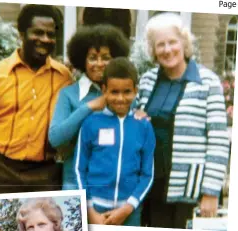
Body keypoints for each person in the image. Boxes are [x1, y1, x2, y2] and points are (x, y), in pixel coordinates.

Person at [136, 13, 230, 228]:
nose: (167, 50)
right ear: (153, 50)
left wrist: (211, 192)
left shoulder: (208, 82)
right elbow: (137, 123)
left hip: (190, 189)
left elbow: (218, 140)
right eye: (160, 45)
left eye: (172, 42)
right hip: (150, 186)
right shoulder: (147, 80)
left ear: (184, 43)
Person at [0, 4, 72, 194]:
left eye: (51, 34)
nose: (45, 39)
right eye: (38, 32)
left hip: (45, 175)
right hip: (1, 171)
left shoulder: (63, 78)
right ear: (22, 33)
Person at [74, 57, 155, 226]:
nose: (120, 98)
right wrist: (89, 209)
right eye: (114, 92)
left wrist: (128, 208)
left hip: (129, 212)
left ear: (135, 91)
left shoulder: (144, 127)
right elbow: (79, 169)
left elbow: (147, 174)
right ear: (104, 90)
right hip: (95, 210)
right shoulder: (91, 123)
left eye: (127, 92)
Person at [49, 24, 130, 190]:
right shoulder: (69, 94)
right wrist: (90, 106)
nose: (99, 64)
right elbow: (55, 138)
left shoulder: (125, 95)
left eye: (106, 58)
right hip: (75, 185)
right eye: (93, 57)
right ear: (82, 61)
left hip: (113, 189)